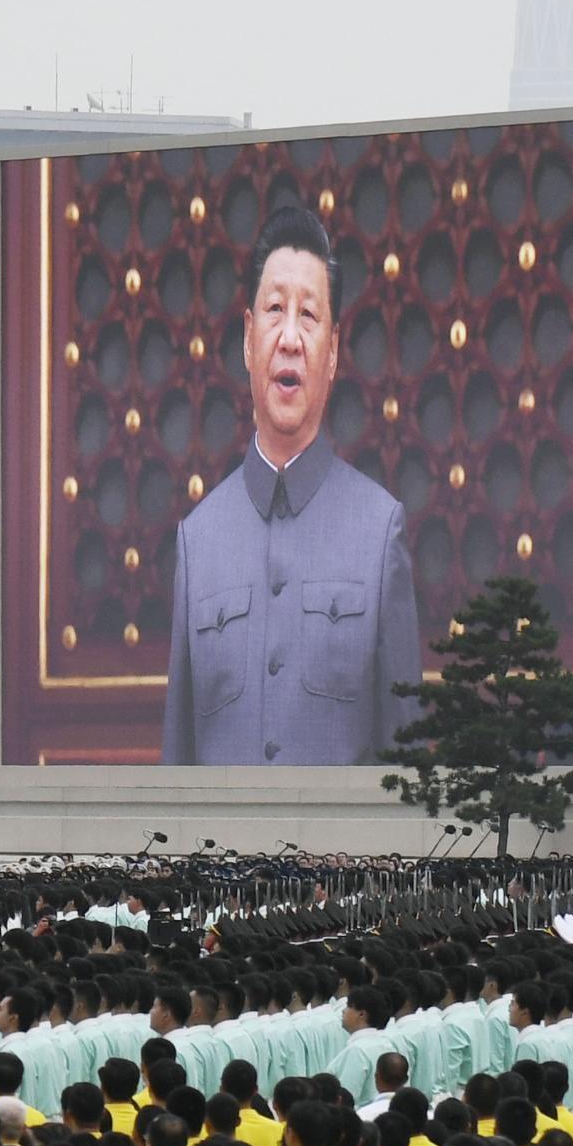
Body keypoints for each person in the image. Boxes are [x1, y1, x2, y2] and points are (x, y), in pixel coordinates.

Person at [157, 205, 419, 768]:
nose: (291, 337)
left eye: (310, 315)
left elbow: (408, 773)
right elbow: (175, 771)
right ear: (249, 339)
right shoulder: (196, 542)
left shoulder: (380, 531)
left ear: (333, 353)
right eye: (275, 310)